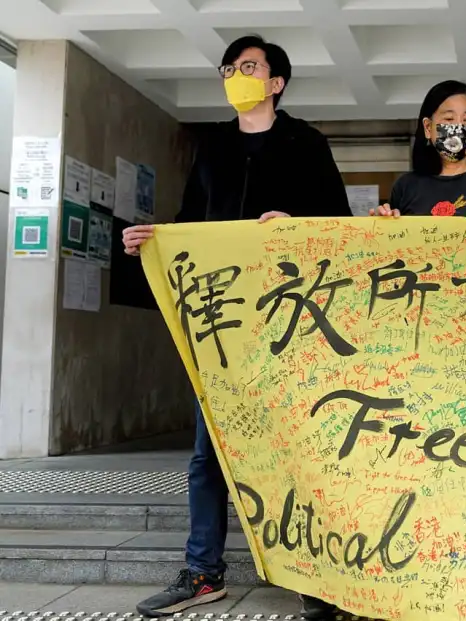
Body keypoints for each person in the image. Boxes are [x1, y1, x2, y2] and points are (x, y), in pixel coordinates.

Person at [121, 35, 352, 621]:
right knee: (208, 455)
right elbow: (189, 224)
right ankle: (203, 574)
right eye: (230, 67)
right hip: (220, 329)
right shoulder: (214, 146)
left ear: (275, 83)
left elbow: (342, 231)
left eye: (249, 66)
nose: (235, 74)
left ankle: (316, 576)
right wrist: (155, 240)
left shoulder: (307, 144)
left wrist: (295, 225)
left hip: (290, 327)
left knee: (296, 452)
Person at [371, 80, 466, 219]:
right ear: (428, 127)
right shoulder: (405, 186)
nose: (459, 128)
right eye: (449, 119)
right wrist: (381, 225)